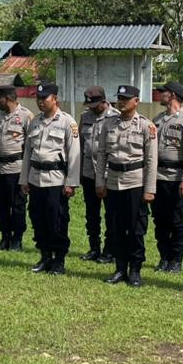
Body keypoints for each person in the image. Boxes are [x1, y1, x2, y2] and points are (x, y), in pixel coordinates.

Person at [95, 85, 157, 288]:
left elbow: (151, 160)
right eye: (119, 98)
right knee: (116, 227)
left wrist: (149, 189)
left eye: (126, 98)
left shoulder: (146, 126)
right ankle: (120, 268)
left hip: (135, 182)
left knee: (136, 229)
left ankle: (135, 270)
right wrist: (100, 182)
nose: (121, 102)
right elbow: (102, 154)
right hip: (113, 182)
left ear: (136, 101)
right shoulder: (109, 124)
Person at [20, 82, 80, 275]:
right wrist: (24, 179)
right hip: (36, 179)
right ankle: (45, 257)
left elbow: (74, 154)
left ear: (55, 99)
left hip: (56, 180)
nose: (40, 102)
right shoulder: (34, 122)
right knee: (38, 220)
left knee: (57, 221)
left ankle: (59, 260)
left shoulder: (67, 122)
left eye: (44, 98)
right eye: (38, 99)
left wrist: (71, 182)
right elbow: (28, 152)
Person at [151, 81, 183, 273]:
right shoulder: (157, 120)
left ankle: (176, 261)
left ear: (172, 95)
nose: (159, 94)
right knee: (159, 220)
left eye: (162, 92)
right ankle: (164, 258)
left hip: (176, 178)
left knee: (176, 221)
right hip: (157, 177)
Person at [0, 84, 32, 251]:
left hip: (17, 169)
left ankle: (17, 239)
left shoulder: (26, 116)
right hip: (0, 168)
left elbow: (30, 144)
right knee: (1, 204)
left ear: (7, 99)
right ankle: (4, 237)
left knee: (18, 206)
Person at [78, 87, 118, 263]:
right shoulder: (85, 117)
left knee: (111, 215)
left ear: (104, 101)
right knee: (91, 214)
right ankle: (94, 247)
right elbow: (80, 146)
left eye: (95, 104)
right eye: (89, 105)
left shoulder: (115, 117)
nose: (92, 108)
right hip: (88, 173)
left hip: (109, 174)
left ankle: (110, 251)